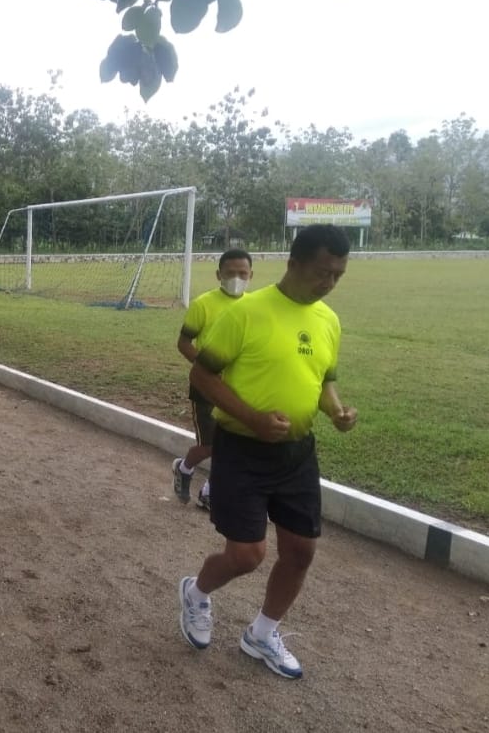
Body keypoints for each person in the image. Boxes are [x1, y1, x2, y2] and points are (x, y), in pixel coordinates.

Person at [178, 224, 357, 681]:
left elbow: (324, 380)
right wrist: (254, 417)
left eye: (338, 274)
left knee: (300, 551)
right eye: (322, 272)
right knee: (247, 555)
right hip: (243, 448)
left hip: (297, 454)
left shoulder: (329, 320)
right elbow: (203, 375)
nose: (329, 283)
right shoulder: (247, 312)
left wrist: (335, 410)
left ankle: (262, 633)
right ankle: (197, 593)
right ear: (293, 263)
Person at [173, 249, 253, 509]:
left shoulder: (254, 307)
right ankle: (184, 469)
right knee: (209, 446)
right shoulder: (203, 304)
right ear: (219, 274)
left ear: (251, 275)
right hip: (206, 388)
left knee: (230, 444)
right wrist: (207, 368)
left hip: (238, 388)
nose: (237, 278)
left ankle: (209, 491)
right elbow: (184, 343)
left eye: (243, 273)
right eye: (231, 273)